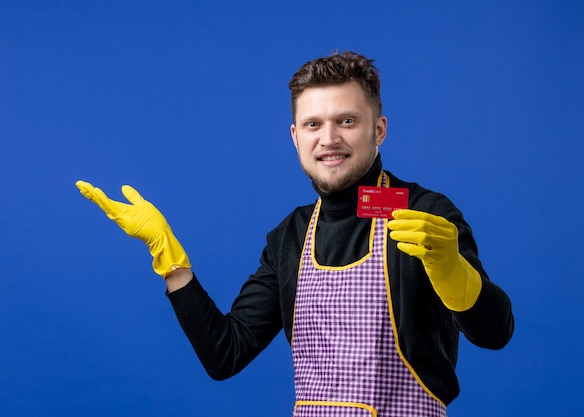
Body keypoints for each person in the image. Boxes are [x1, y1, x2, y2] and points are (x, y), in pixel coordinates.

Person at [76, 51, 514, 417]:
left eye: (347, 121)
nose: (329, 139)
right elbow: (225, 354)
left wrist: (453, 271)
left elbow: (496, 333)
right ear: (294, 136)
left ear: (378, 130)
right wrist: (169, 258)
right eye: (312, 124)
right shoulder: (291, 236)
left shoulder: (422, 213)